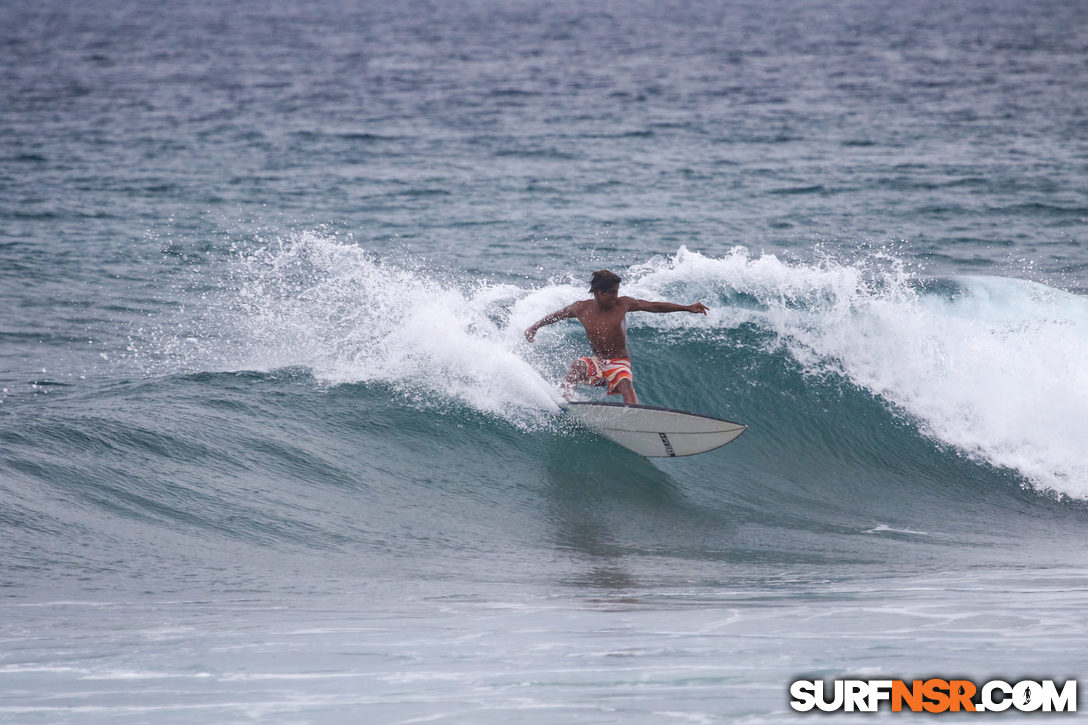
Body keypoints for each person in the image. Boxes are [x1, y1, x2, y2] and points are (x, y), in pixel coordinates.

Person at [524, 270, 709, 405]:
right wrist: (535, 327)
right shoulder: (581, 308)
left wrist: (687, 307)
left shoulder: (623, 304)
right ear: (597, 292)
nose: (615, 296)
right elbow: (558, 315)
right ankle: (568, 405)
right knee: (577, 367)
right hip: (597, 362)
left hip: (618, 362)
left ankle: (634, 419)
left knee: (626, 384)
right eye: (610, 292)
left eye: (616, 291)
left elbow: (654, 306)